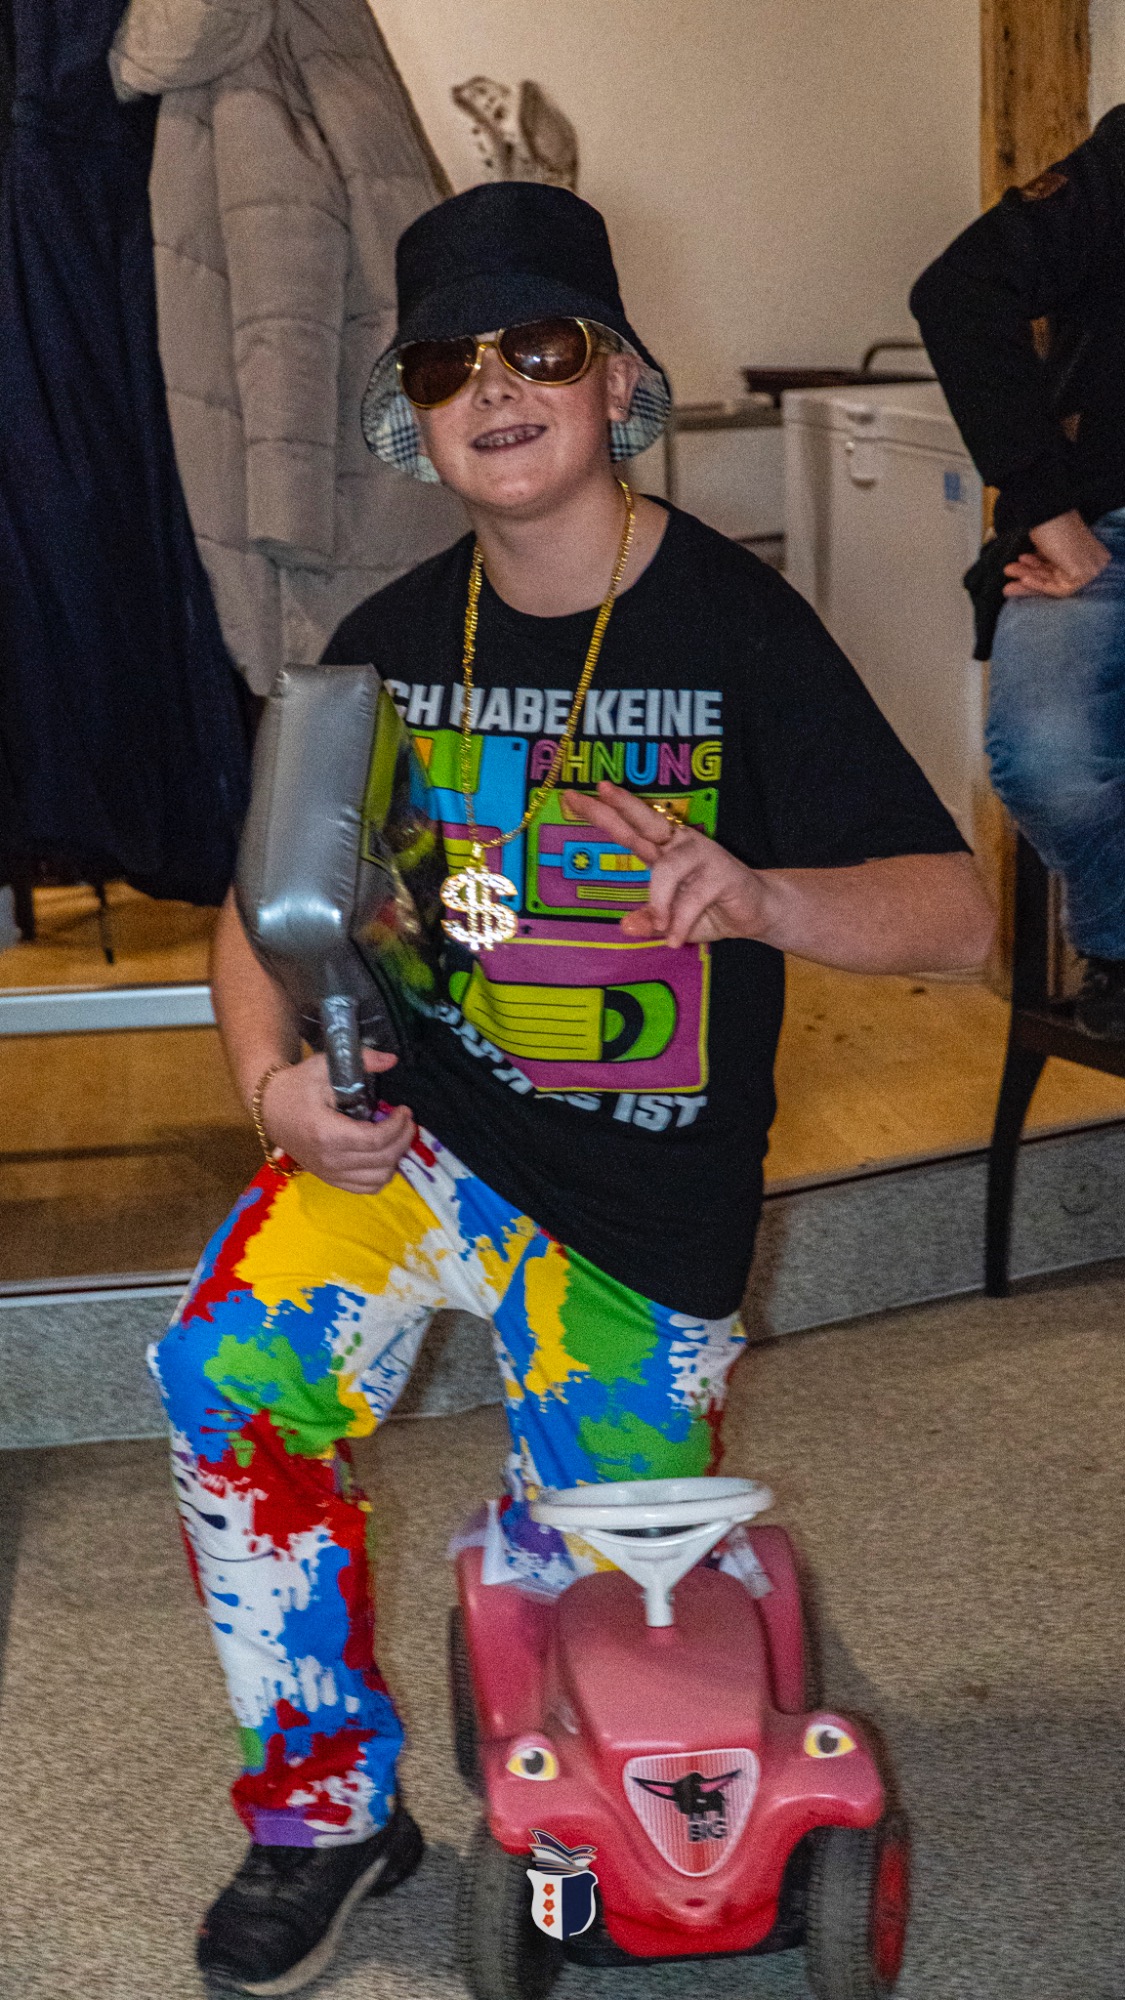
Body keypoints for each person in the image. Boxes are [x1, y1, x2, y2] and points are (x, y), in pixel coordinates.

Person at [154, 181, 994, 1995]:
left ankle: (584, 1755)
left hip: (635, 1212)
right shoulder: (385, 642)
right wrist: (270, 1087)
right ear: (414, 415)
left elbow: (953, 913)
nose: (496, 390)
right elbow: (251, 909)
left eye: (539, 348)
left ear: (617, 380)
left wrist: (764, 900)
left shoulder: (740, 631)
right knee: (225, 1375)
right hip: (413, 1147)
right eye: (447, 365)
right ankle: (327, 1811)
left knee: (620, 1608)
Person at [911, 107, 1125, 1036]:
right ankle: (1119, 942)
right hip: (1099, 537)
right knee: (1045, 759)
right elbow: (958, 291)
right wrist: (1049, 513)